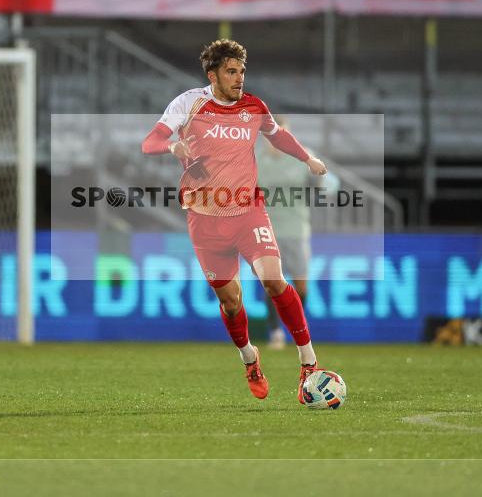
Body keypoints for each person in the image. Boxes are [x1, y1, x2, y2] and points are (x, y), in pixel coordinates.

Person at [141, 39, 328, 401]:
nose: (239, 78)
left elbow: (279, 135)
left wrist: (307, 158)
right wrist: (172, 146)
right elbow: (149, 141)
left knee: (274, 280)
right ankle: (249, 357)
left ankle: (309, 360)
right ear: (212, 75)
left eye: (242, 71)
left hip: (248, 211)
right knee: (231, 301)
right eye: (231, 71)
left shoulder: (254, 107)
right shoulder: (188, 103)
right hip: (204, 218)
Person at [255, 115, 338, 350]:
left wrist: (322, 182)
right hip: (266, 231)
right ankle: (275, 333)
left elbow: (331, 184)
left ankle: (294, 328)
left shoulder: (302, 155)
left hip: (297, 230)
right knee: (272, 283)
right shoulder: (254, 161)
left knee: (301, 287)